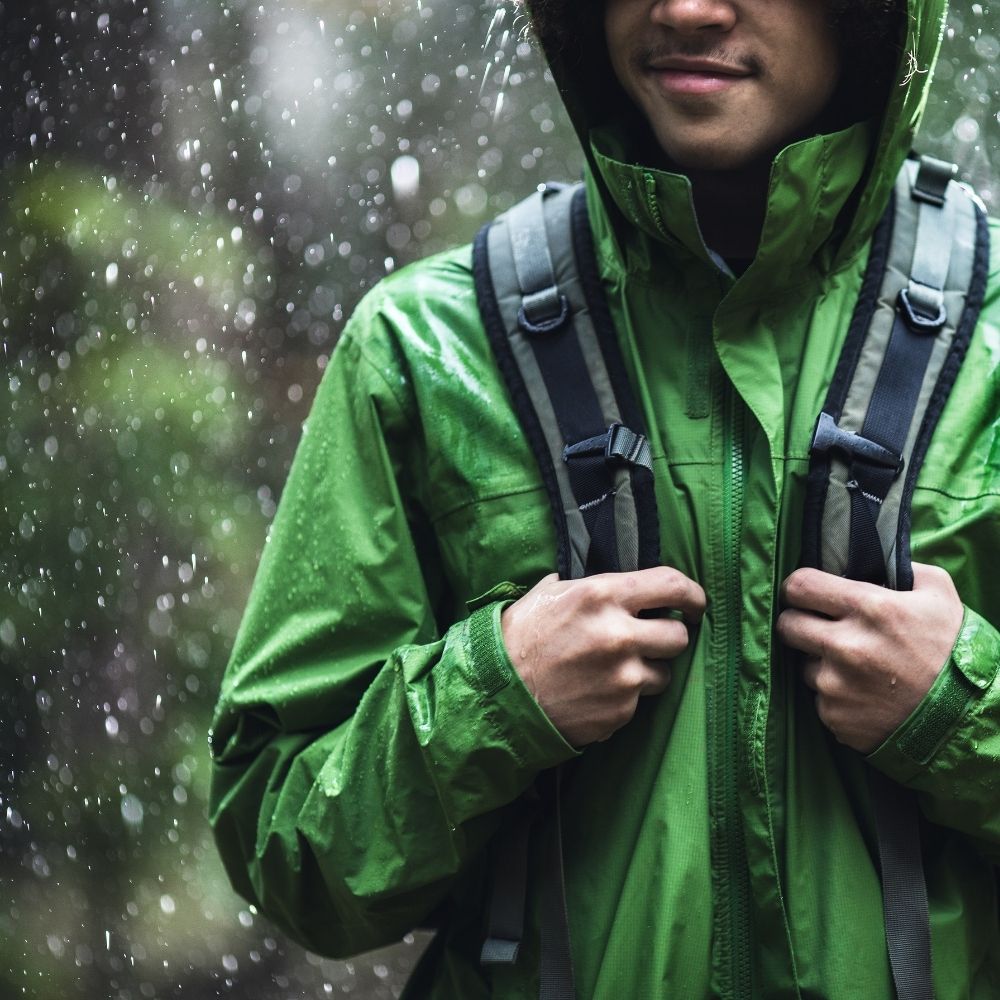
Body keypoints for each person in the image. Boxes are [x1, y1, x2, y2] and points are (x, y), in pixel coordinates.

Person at [209, 0, 1000, 995]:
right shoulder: (426, 353)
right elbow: (287, 851)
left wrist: (962, 714)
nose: (683, 9)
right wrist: (490, 701)